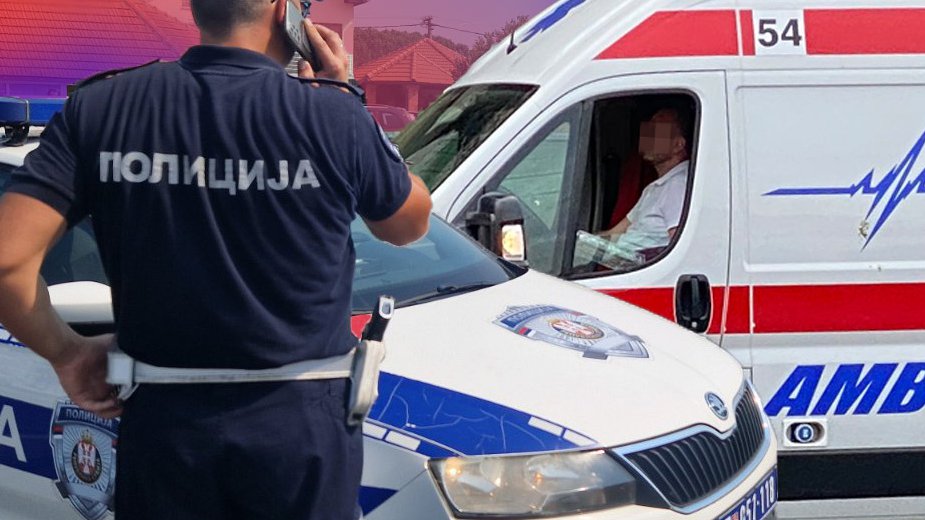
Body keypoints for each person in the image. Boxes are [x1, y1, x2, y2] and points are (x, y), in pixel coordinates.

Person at [0, 0, 431, 518]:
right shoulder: (332, 115)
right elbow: (409, 223)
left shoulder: (102, 107)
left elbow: (7, 263)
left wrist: (67, 352)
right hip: (300, 433)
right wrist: (343, 96)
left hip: (163, 431)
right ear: (285, 12)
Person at [597, 107, 691, 264]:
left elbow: (680, 250)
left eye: (659, 132)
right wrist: (580, 244)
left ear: (678, 145)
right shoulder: (655, 188)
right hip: (620, 264)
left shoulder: (678, 185)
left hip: (640, 271)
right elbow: (615, 233)